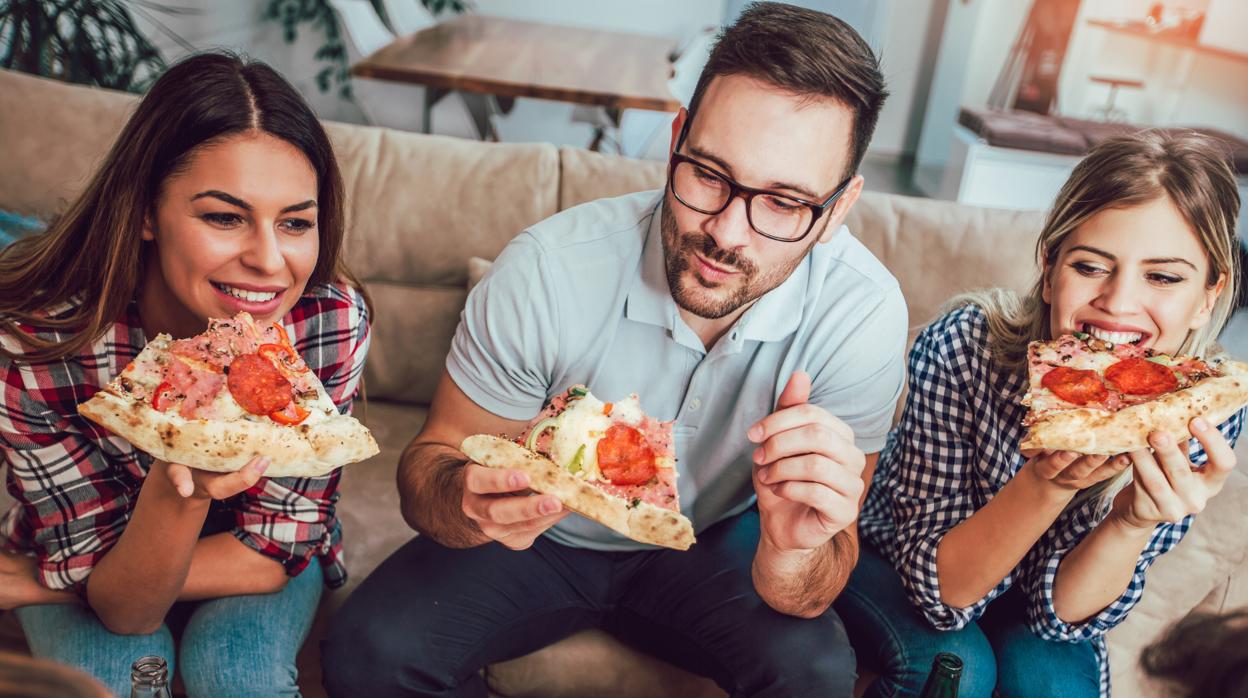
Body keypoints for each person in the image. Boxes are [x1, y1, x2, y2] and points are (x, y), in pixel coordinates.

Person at [322, 3, 904, 696]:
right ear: (675, 138)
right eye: (710, 174)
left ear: (838, 208)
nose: (726, 233)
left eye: (784, 203)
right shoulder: (547, 268)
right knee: (366, 651)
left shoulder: (862, 314)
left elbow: (812, 583)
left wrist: (791, 548)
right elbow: (428, 471)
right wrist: (467, 499)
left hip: (718, 539)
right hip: (541, 538)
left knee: (815, 676)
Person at [0, 52, 372, 697]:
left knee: (240, 682)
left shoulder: (327, 321)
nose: (268, 261)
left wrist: (49, 582)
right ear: (146, 211)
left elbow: (274, 550)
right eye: (224, 217)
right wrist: (184, 490)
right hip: (96, 550)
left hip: (247, 555)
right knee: (122, 687)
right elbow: (129, 612)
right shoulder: (34, 340)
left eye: (295, 223)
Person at [838, 131, 1243, 698]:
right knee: (958, 666)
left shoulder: (1201, 407)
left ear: (1207, 296)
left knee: (1054, 686)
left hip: (1042, 603)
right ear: (1050, 268)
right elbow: (940, 595)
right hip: (901, 564)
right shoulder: (965, 347)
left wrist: (1132, 523)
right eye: (1092, 266)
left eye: (1163, 277)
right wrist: (1045, 483)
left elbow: (1062, 619)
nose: (1119, 302)